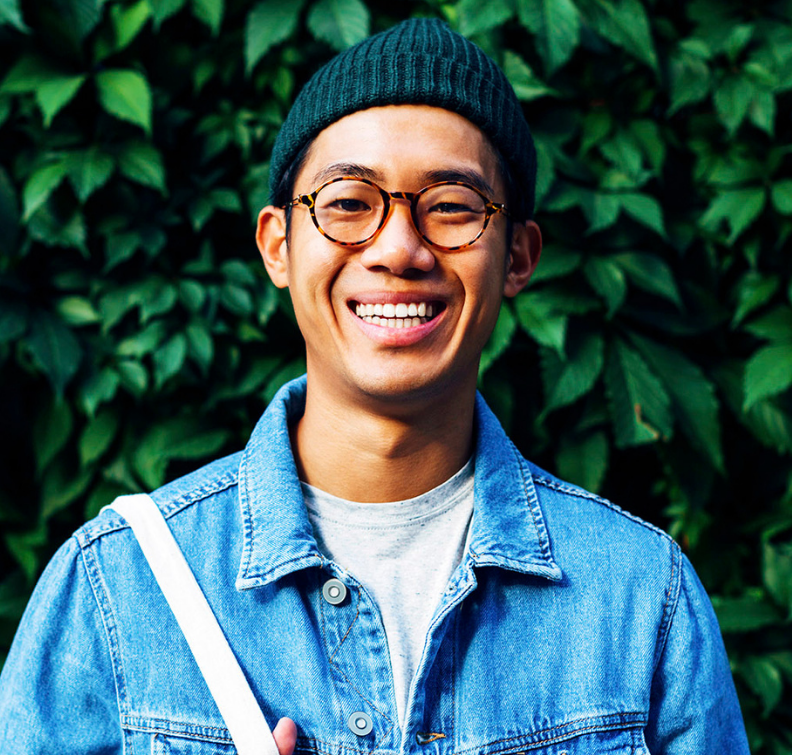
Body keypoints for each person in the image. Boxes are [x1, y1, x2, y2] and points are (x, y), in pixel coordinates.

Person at [0, 18, 749, 753]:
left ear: (518, 256)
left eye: (452, 207)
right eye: (349, 204)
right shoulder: (117, 586)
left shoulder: (642, 596)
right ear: (278, 245)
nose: (398, 248)